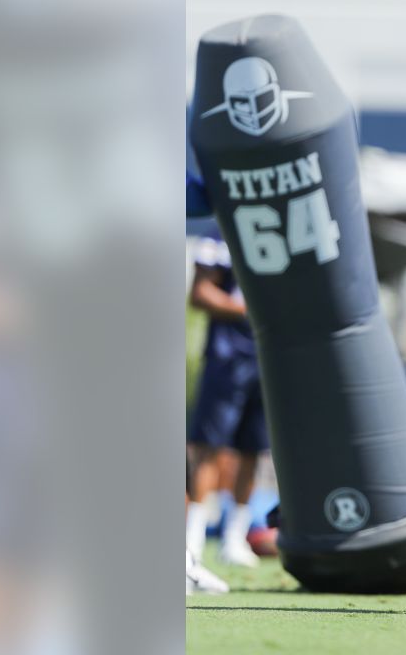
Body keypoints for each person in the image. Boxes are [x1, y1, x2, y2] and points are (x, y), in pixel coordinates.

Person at [185, 233, 270, 568]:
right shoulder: (219, 235)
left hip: (268, 357)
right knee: (209, 446)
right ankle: (192, 538)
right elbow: (200, 293)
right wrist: (252, 309)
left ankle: (235, 538)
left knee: (253, 449)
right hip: (226, 358)